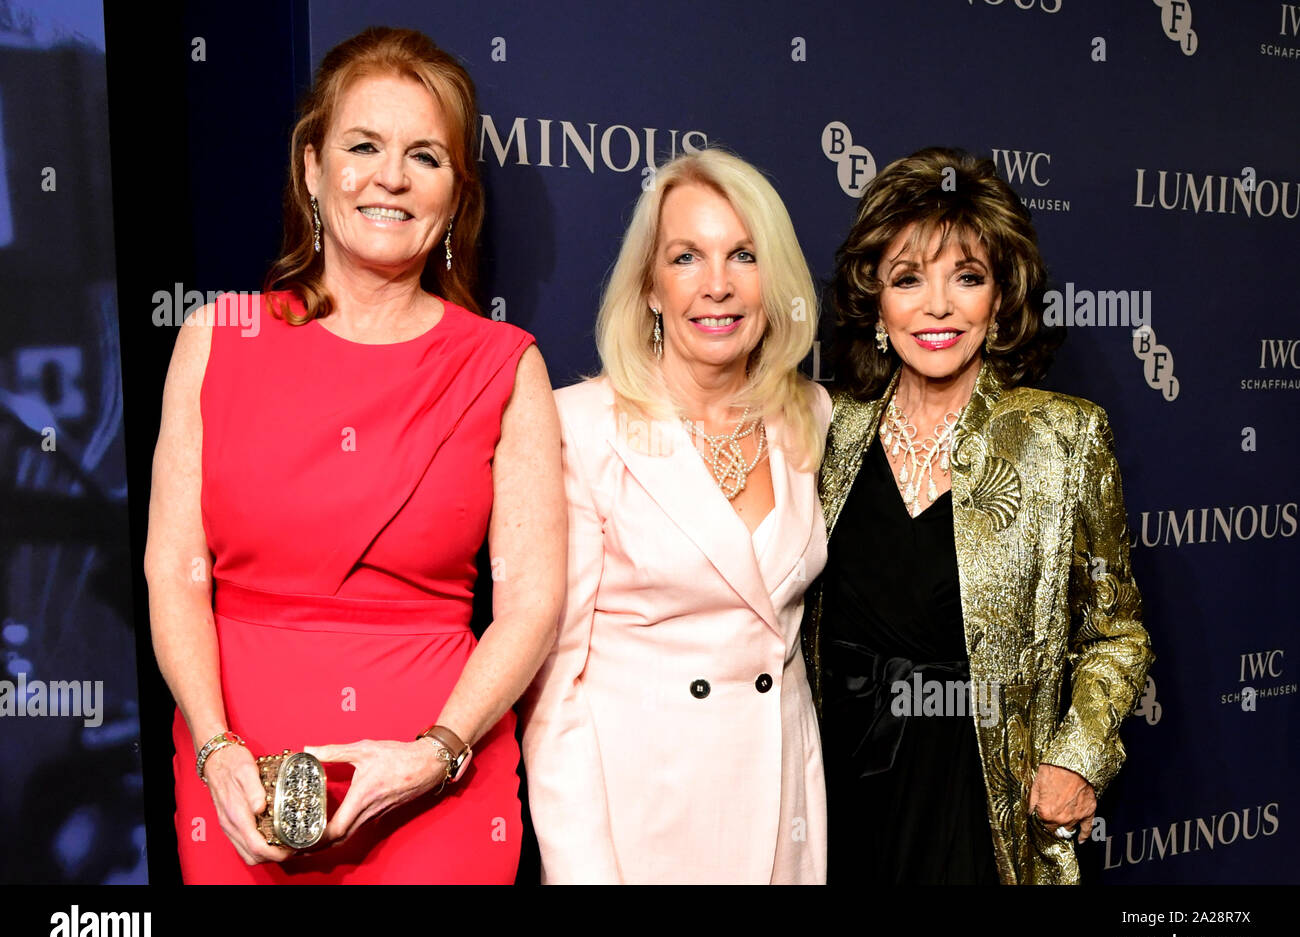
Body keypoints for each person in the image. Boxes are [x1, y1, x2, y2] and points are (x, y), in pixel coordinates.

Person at [143, 26, 564, 883]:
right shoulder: (216, 338)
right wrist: (216, 750)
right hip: (238, 789)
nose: (392, 177)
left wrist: (435, 751)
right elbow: (171, 575)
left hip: (435, 794)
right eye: (363, 145)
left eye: (426, 156)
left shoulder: (503, 364)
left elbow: (531, 605)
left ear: (455, 195)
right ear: (311, 168)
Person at [805, 146, 1154, 885]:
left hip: (980, 803)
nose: (938, 306)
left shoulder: (1065, 438)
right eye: (909, 279)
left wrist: (1077, 755)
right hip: (833, 794)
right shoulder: (822, 428)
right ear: (876, 302)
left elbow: (1116, 633)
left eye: (966, 277)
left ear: (999, 299)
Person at [521, 149, 829, 884]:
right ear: (651, 288)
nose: (717, 285)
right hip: (646, 822)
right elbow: (553, 690)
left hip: (783, 800)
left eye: (743, 255)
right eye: (686, 257)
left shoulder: (809, 415)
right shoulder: (582, 426)